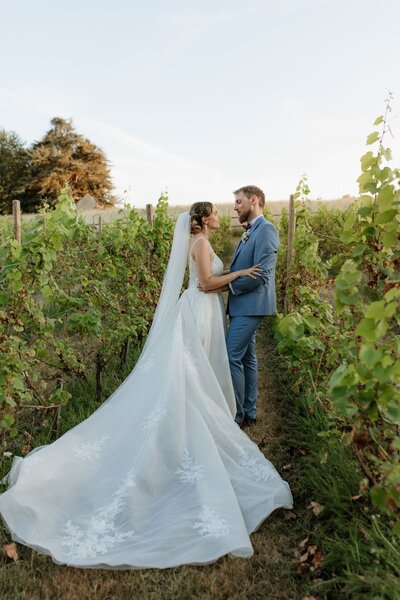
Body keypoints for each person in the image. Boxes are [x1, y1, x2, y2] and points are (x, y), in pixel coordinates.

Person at [0, 202, 292, 569]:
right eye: (215, 212)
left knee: (193, 377)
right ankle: (187, 430)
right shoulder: (200, 244)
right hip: (199, 310)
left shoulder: (203, 241)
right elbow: (204, 283)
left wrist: (234, 276)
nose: (222, 215)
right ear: (203, 219)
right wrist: (237, 275)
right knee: (189, 377)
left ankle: (193, 422)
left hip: (204, 312)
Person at [201, 187, 280, 427]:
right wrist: (213, 280)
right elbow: (240, 270)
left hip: (252, 305)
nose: (234, 207)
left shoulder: (266, 230)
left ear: (253, 200)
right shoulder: (250, 231)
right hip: (243, 305)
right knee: (247, 358)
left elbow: (262, 274)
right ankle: (249, 411)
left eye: (238, 201)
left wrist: (226, 287)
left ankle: (235, 416)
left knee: (231, 356)